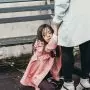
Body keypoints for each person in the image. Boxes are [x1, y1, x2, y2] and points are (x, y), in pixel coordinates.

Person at [53, 0, 90, 90]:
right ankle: (84, 80)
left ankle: (68, 84)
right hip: (86, 17)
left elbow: (61, 3)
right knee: (86, 49)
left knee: (67, 51)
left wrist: (56, 21)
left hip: (70, 18)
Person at [20, 24, 62, 90]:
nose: (48, 35)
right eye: (44, 35)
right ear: (41, 38)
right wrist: (55, 32)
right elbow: (50, 46)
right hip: (39, 76)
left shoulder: (56, 46)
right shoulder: (41, 46)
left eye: (50, 33)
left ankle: (83, 75)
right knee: (50, 88)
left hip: (50, 73)